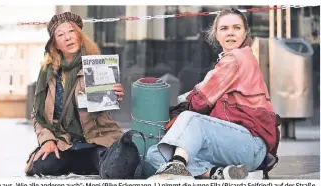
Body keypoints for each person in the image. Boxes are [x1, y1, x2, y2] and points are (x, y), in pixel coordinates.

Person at [146, 8, 278, 180]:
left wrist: (183, 102)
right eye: (224, 28)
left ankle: (177, 167)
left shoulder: (237, 58)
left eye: (236, 28)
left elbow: (200, 101)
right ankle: (218, 173)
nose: (230, 33)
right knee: (155, 154)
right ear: (216, 34)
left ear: (245, 32)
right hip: (232, 147)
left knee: (190, 118)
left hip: (250, 144)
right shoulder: (231, 59)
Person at [24, 12, 125, 176]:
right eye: (60, 34)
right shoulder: (47, 74)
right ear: (55, 44)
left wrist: (114, 94)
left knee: (112, 165)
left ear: (79, 36)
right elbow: (38, 115)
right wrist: (47, 140)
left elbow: (102, 107)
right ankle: (85, 163)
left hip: (96, 139)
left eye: (71, 32)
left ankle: (101, 159)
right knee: (42, 166)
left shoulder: (97, 65)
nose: (67, 38)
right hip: (64, 142)